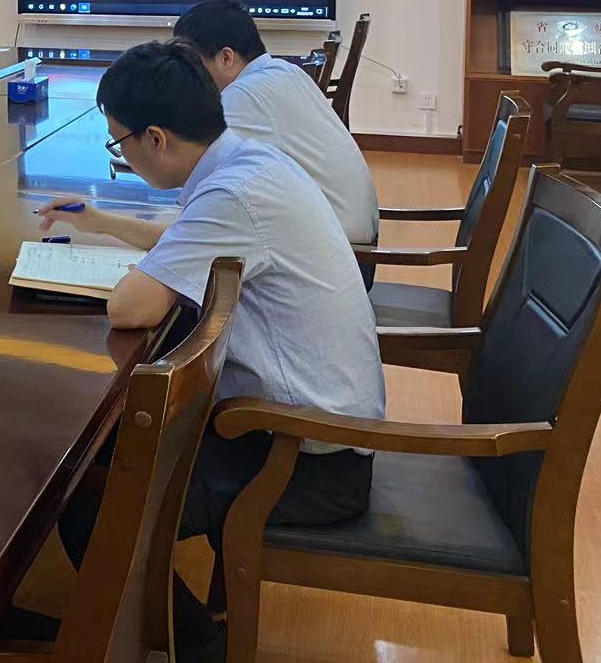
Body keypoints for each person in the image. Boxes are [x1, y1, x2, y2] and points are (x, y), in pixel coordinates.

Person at [33, 40, 383, 661]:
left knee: (91, 507)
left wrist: (130, 273)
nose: (121, 156)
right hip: (310, 430)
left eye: (119, 144)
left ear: (156, 138)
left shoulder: (233, 194)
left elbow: (130, 309)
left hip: (303, 458)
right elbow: (185, 235)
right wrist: (100, 220)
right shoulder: (247, 160)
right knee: (102, 449)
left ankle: (199, 648)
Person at [174, 0, 379, 282]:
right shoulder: (285, 72)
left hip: (342, 259)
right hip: (355, 242)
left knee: (185, 254)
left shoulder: (245, 94)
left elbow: (194, 173)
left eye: (193, 66)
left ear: (226, 58)